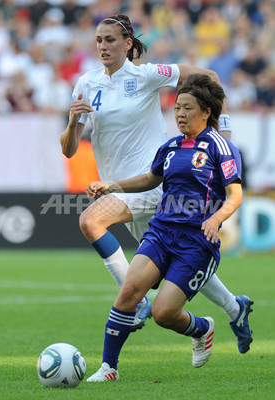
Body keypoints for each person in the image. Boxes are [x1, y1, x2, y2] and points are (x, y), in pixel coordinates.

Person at [60, 15, 253, 348]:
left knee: (90, 220)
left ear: (128, 43)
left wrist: (223, 127)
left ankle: (135, 305)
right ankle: (234, 307)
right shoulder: (86, 84)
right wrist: (73, 121)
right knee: (173, 264)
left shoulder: (147, 75)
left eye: (110, 40)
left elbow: (209, 77)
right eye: (99, 40)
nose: (103, 46)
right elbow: (69, 149)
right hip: (123, 185)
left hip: (155, 183)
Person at [86, 73, 244, 381]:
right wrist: (112, 186)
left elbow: (236, 194)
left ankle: (202, 328)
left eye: (188, 108)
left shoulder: (219, 147)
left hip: (196, 242)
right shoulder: (170, 146)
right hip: (161, 232)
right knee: (130, 290)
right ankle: (108, 368)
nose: (181, 114)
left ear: (206, 112)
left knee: (163, 314)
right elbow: (150, 179)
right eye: (177, 109)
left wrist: (214, 219)